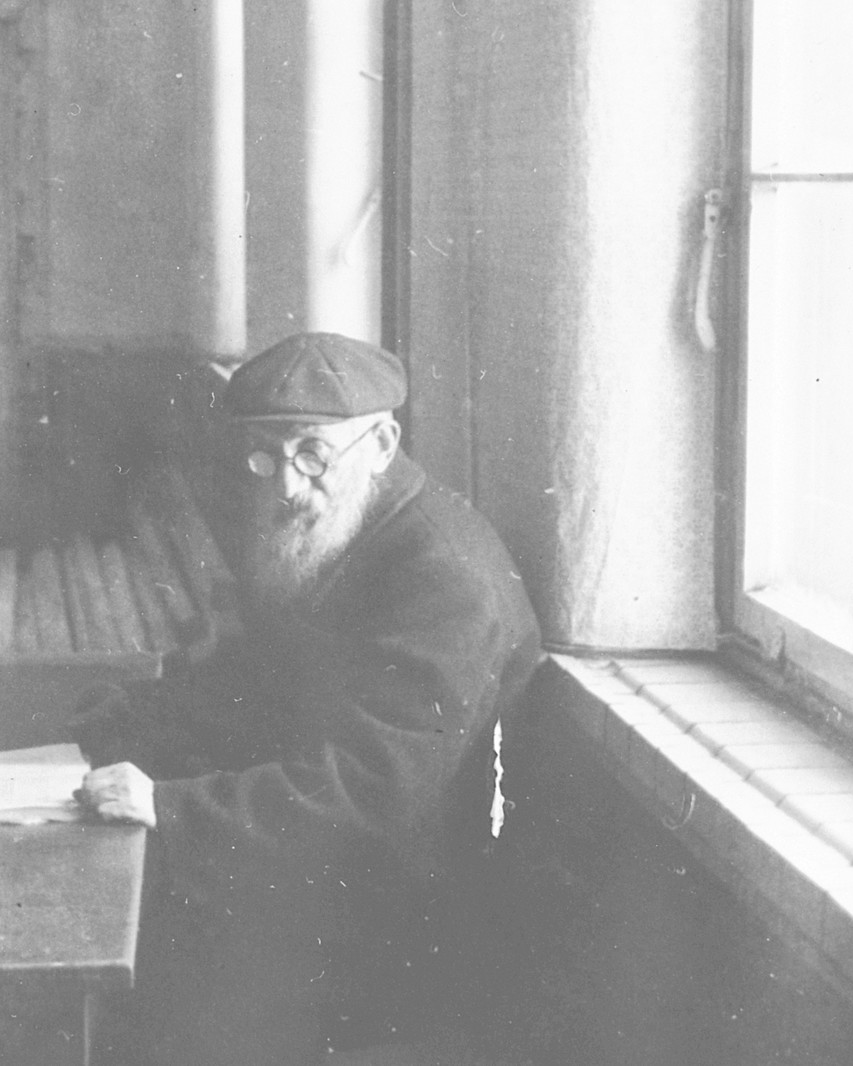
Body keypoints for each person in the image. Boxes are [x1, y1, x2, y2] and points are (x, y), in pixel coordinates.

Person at [72, 332, 543, 1066]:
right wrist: (132, 717)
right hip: (335, 877)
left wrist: (168, 805)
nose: (286, 486)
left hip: (404, 925)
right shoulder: (350, 528)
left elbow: (371, 789)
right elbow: (260, 681)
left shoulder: (444, 579)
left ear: (382, 443)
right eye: (265, 457)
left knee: (134, 974)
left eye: (313, 456)